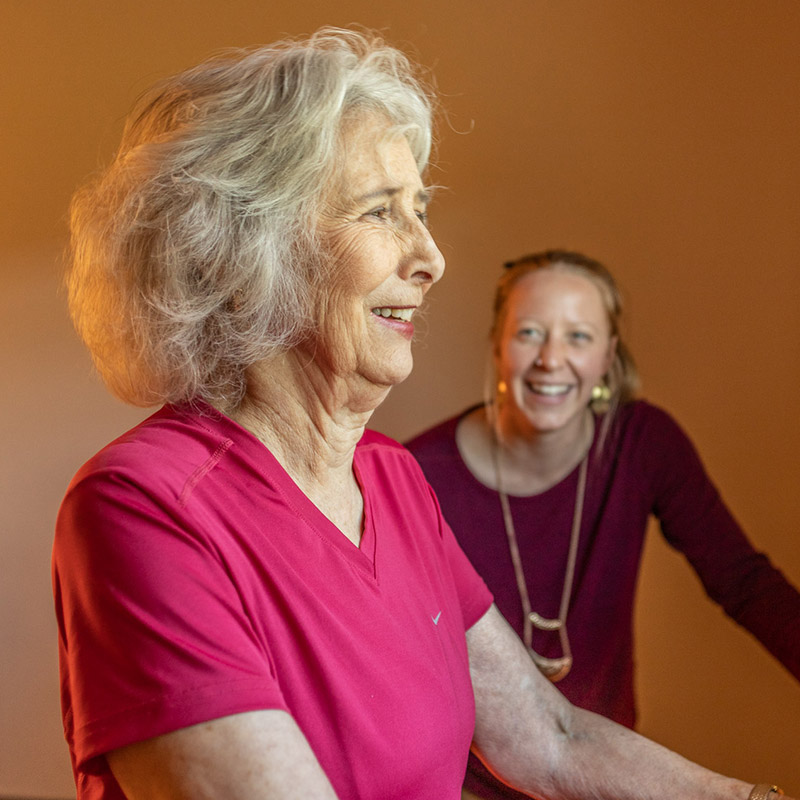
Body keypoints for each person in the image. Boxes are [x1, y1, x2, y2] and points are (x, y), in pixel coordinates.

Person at [53, 29, 790, 800]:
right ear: (244, 259)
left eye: (421, 210)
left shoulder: (392, 479)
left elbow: (549, 737)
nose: (430, 255)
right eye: (380, 213)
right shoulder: (143, 506)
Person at [406, 249, 800, 800]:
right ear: (497, 343)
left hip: (608, 780)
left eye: (579, 337)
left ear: (608, 356)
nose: (551, 359)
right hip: (469, 788)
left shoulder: (643, 444)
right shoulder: (416, 477)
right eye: (530, 333)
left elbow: (744, 582)